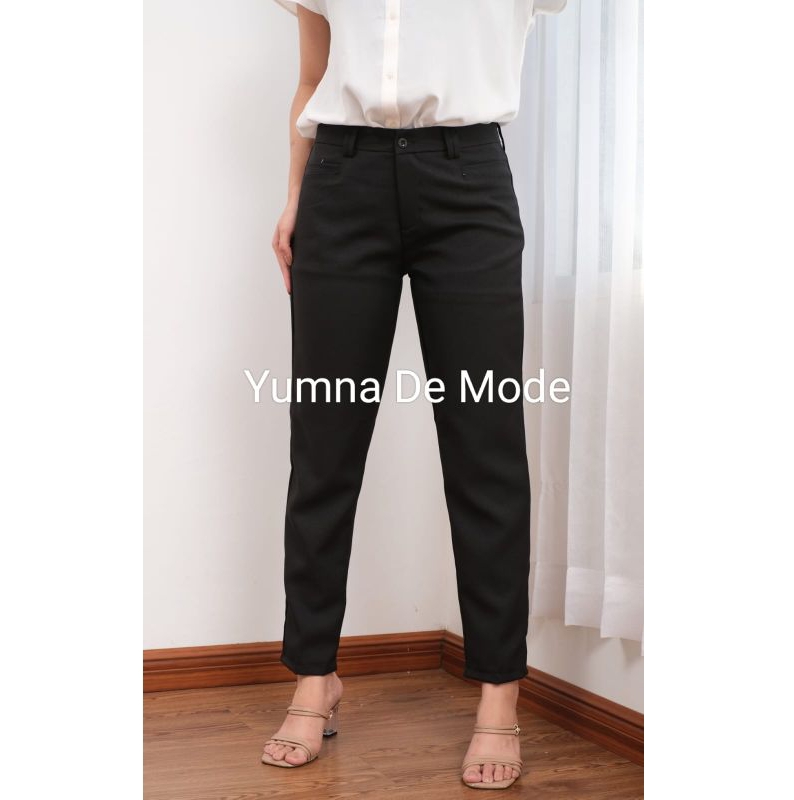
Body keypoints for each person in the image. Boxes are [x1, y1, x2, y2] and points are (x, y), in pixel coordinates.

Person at [262, 0, 567, 790]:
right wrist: (295, 196)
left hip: (469, 185)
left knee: (485, 446)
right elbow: (311, 76)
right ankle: (314, 677)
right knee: (324, 444)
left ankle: (499, 693)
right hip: (341, 179)